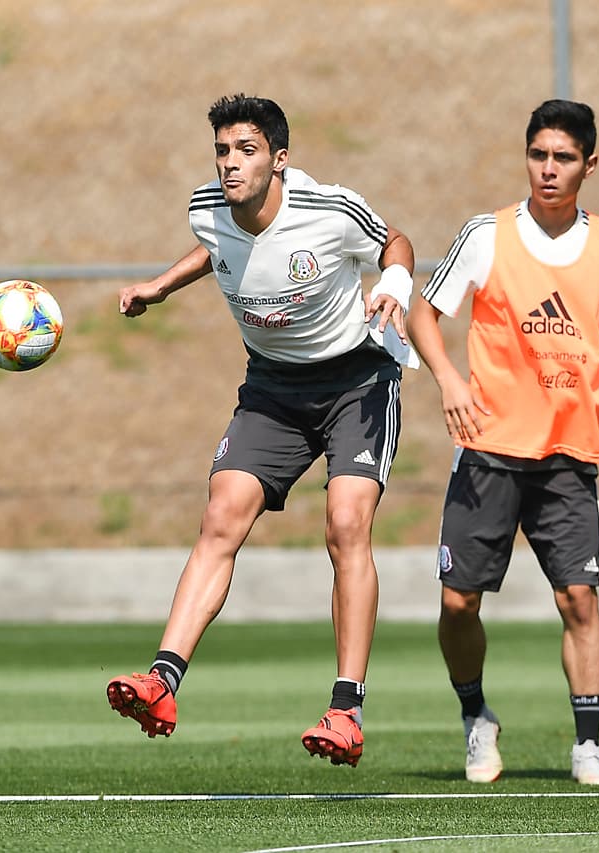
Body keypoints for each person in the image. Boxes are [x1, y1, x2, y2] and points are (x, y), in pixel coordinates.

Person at [106, 93, 417, 770]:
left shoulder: (329, 210)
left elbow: (394, 240)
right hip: (273, 386)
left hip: (357, 379)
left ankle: (347, 707)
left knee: (345, 522)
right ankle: (162, 681)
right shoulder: (207, 208)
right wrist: (160, 285)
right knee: (221, 513)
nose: (229, 164)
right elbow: (217, 247)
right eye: (222, 150)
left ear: (279, 159)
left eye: (245, 151)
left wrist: (395, 279)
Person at [406, 99, 599, 786]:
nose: (548, 169)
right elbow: (423, 312)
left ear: (589, 165)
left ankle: (588, 746)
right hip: (487, 450)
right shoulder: (487, 235)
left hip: (569, 455)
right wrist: (450, 379)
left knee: (579, 600)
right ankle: (476, 716)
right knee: (459, 602)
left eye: (564, 158)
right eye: (538, 155)